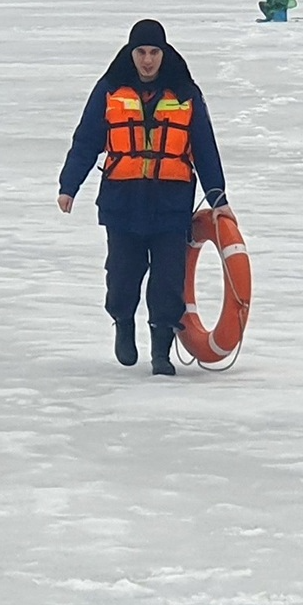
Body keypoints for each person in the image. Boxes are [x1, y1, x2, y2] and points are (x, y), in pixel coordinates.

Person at [58, 19, 232, 376]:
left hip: (171, 204)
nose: (148, 60)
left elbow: (204, 146)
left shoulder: (186, 92)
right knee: (123, 275)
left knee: (168, 280)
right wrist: (69, 185)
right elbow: (87, 139)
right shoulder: (109, 89)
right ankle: (123, 321)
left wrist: (218, 197)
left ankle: (161, 351)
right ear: (131, 53)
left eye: (154, 52)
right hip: (122, 202)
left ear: (164, 54)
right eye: (142, 52)